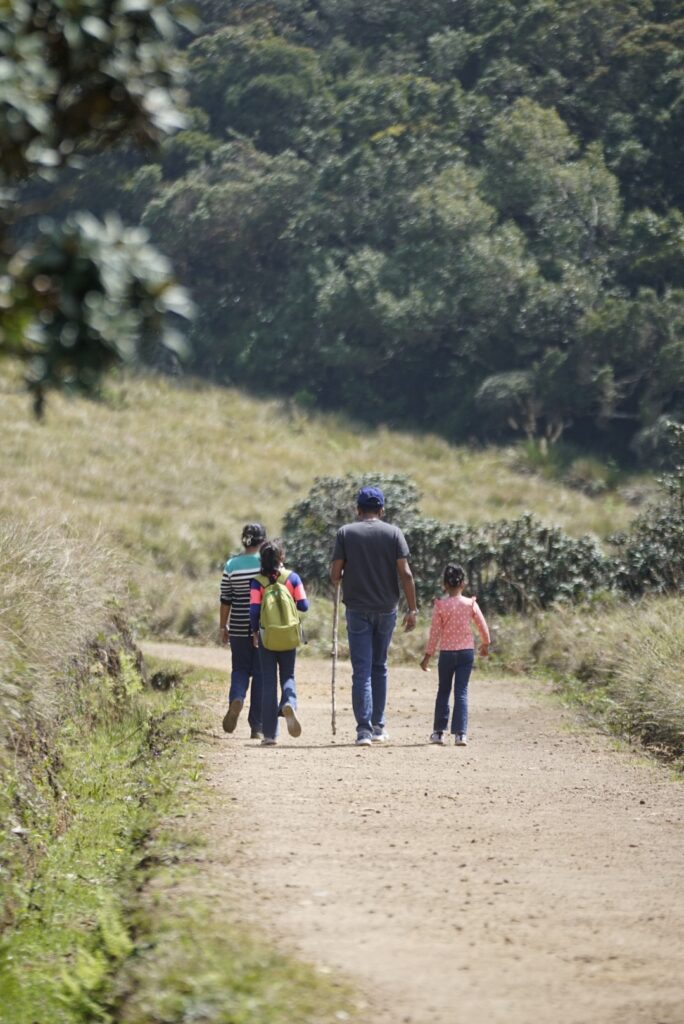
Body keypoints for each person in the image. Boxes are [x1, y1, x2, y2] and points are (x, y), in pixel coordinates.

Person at [330, 485, 418, 747]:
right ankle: (379, 727)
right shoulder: (394, 534)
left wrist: (346, 575)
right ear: (382, 509)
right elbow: (406, 574)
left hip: (357, 609)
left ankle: (363, 731)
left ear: (358, 510)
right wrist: (412, 609)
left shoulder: (346, 533)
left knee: (362, 671)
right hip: (387, 608)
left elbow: (335, 575)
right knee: (379, 666)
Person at [420, 563, 490, 746]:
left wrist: (428, 655)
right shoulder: (470, 604)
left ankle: (438, 732)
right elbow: (482, 626)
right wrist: (485, 644)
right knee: (461, 692)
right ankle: (461, 734)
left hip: (447, 654)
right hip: (466, 653)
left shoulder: (441, 606)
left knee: (443, 691)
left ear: (444, 585)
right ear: (463, 584)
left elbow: (435, 633)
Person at [249, 538, 309, 747]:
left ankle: (269, 734)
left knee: (268, 682)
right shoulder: (292, 578)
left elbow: (254, 610)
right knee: (288, 675)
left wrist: (254, 632)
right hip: (289, 635)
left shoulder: (257, 581)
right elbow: (304, 605)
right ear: (281, 557)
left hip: (267, 636)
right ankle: (289, 703)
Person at [219, 523, 267, 738]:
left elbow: (225, 599)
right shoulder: (267, 564)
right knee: (260, 674)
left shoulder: (231, 565)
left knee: (239, 669)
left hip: (238, 625)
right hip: (262, 626)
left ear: (243, 540)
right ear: (263, 541)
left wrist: (223, 625)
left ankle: (236, 698)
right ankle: (257, 726)